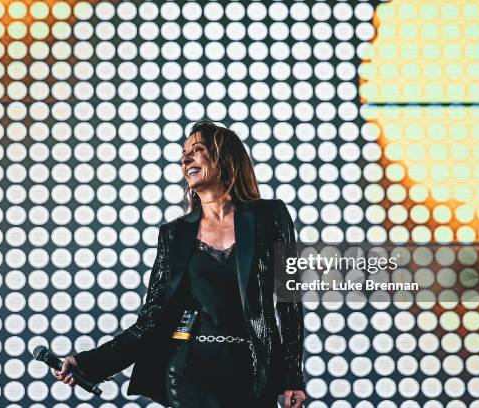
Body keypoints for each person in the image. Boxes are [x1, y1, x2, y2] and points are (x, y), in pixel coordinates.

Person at [53, 120, 306, 408]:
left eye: (198, 150)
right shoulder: (174, 234)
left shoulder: (270, 216)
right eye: (184, 153)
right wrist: (88, 362)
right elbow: (150, 320)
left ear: (226, 159)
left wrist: (292, 377)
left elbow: (290, 302)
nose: (186, 158)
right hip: (188, 374)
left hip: (252, 374)